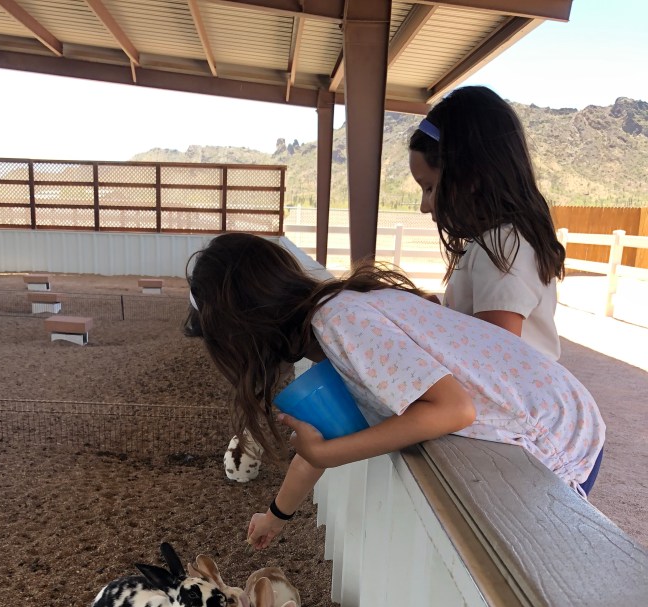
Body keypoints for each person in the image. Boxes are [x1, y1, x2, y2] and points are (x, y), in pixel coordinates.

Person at [184, 233, 605, 550]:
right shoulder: (331, 322)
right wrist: (276, 515)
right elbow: (317, 444)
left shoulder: (339, 323)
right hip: (553, 415)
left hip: (555, 437)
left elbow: (453, 409)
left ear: (242, 330)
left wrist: (331, 454)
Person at [408, 85, 565, 361]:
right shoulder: (495, 242)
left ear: (470, 177)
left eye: (429, 187)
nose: (424, 206)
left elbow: (494, 361)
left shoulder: (502, 247)